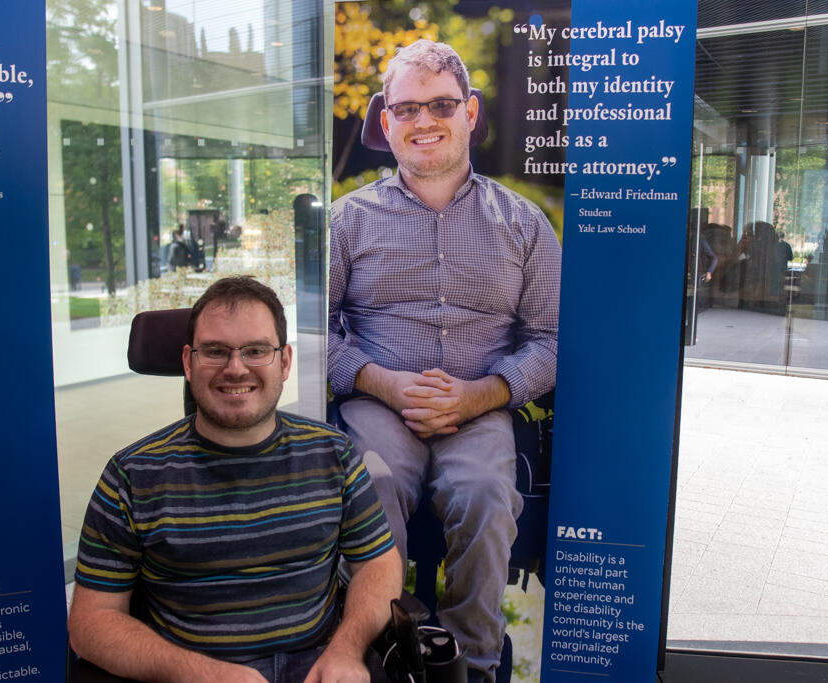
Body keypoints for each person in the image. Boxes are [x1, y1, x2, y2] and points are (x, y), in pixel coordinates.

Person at [329, 39, 561, 682]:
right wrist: (385, 383)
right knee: (370, 486)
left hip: (481, 408)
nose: (422, 120)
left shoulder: (524, 223)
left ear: (471, 112)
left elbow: (551, 338)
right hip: (378, 405)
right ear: (385, 121)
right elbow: (315, 337)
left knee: (486, 494)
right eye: (405, 109)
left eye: (439, 105)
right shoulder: (347, 223)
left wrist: (481, 395)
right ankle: (381, 659)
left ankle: (472, 669)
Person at [70, 276, 401, 683]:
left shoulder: (333, 454)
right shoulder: (132, 476)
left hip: (320, 665)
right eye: (215, 351)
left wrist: (347, 651)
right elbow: (91, 622)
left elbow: (379, 564)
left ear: (284, 362)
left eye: (256, 350)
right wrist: (203, 674)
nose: (235, 368)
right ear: (189, 363)